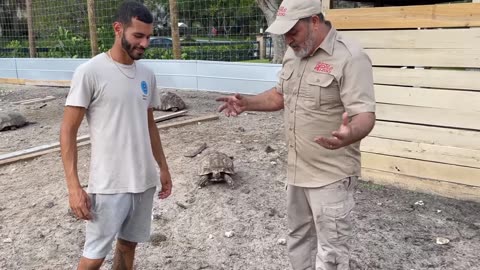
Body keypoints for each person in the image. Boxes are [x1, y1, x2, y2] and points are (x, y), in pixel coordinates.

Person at [216, 0, 375, 269]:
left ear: (314, 21)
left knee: (331, 252)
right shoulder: (295, 52)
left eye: (293, 31)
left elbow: (365, 116)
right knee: (298, 239)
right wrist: (247, 103)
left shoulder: (350, 57)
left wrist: (350, 133)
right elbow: (280, 96)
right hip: (297, 171)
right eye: (284, 33)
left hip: (331, 176)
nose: (288, 39)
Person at [59, 1, 172, 269]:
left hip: (143, 181)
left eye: (148, 37)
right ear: (118, 28)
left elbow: (149, 124)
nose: (144, 44)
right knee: (94, 256)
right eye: (138, 36)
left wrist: (163, 168)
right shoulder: (90, 72)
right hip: (109, 184)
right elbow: (67, 131)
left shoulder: (146, 74)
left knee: (128, 244)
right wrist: (74, 187)